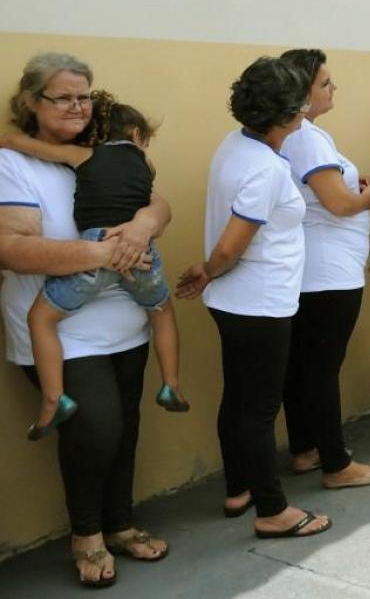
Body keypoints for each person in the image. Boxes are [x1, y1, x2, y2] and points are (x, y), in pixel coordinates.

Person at [0, 52, 172, 586]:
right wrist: (100, 254)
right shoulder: (13, 164)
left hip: (125, 322)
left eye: (83, 97)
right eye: (63, 97)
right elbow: (10, 249)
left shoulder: (99, 151)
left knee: (125, 427)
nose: (77, 107)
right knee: (97, 429)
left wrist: (144, 225)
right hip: (62, 332)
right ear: (31, 102)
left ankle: (120, 523)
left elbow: (157, 201)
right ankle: (87, 536)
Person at [175, 57, 331, 539]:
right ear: (286, 113)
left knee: (240, 397)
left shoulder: (236, 143)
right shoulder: (265, 169)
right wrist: (208, 270)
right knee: (259, 409)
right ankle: (272, 510)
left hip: (236, 301)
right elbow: (230, 247)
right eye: (301, 104)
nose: (306, 110)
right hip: (260, 302)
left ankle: (238, 487)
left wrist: (211, 273)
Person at [2, 92, 189, 442]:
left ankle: (54, 399)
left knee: (40, 318)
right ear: (137, 135)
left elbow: (20, 144)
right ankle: (171, 384)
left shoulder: (83, 155)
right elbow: (153, 202)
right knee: (161, 310)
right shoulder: (146, 165)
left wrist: (7, 141)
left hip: (95, 249)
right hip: (140, 254)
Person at [276, 48, 370, 488]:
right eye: (325, 83)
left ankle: (306, 448)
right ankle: (336, 463)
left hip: (322, 268)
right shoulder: (305, 137)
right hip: (326, 273)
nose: (333, 88)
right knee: (322, 368)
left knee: (306, 365)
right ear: (302, 91)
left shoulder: (305, 134)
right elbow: (338, 203)